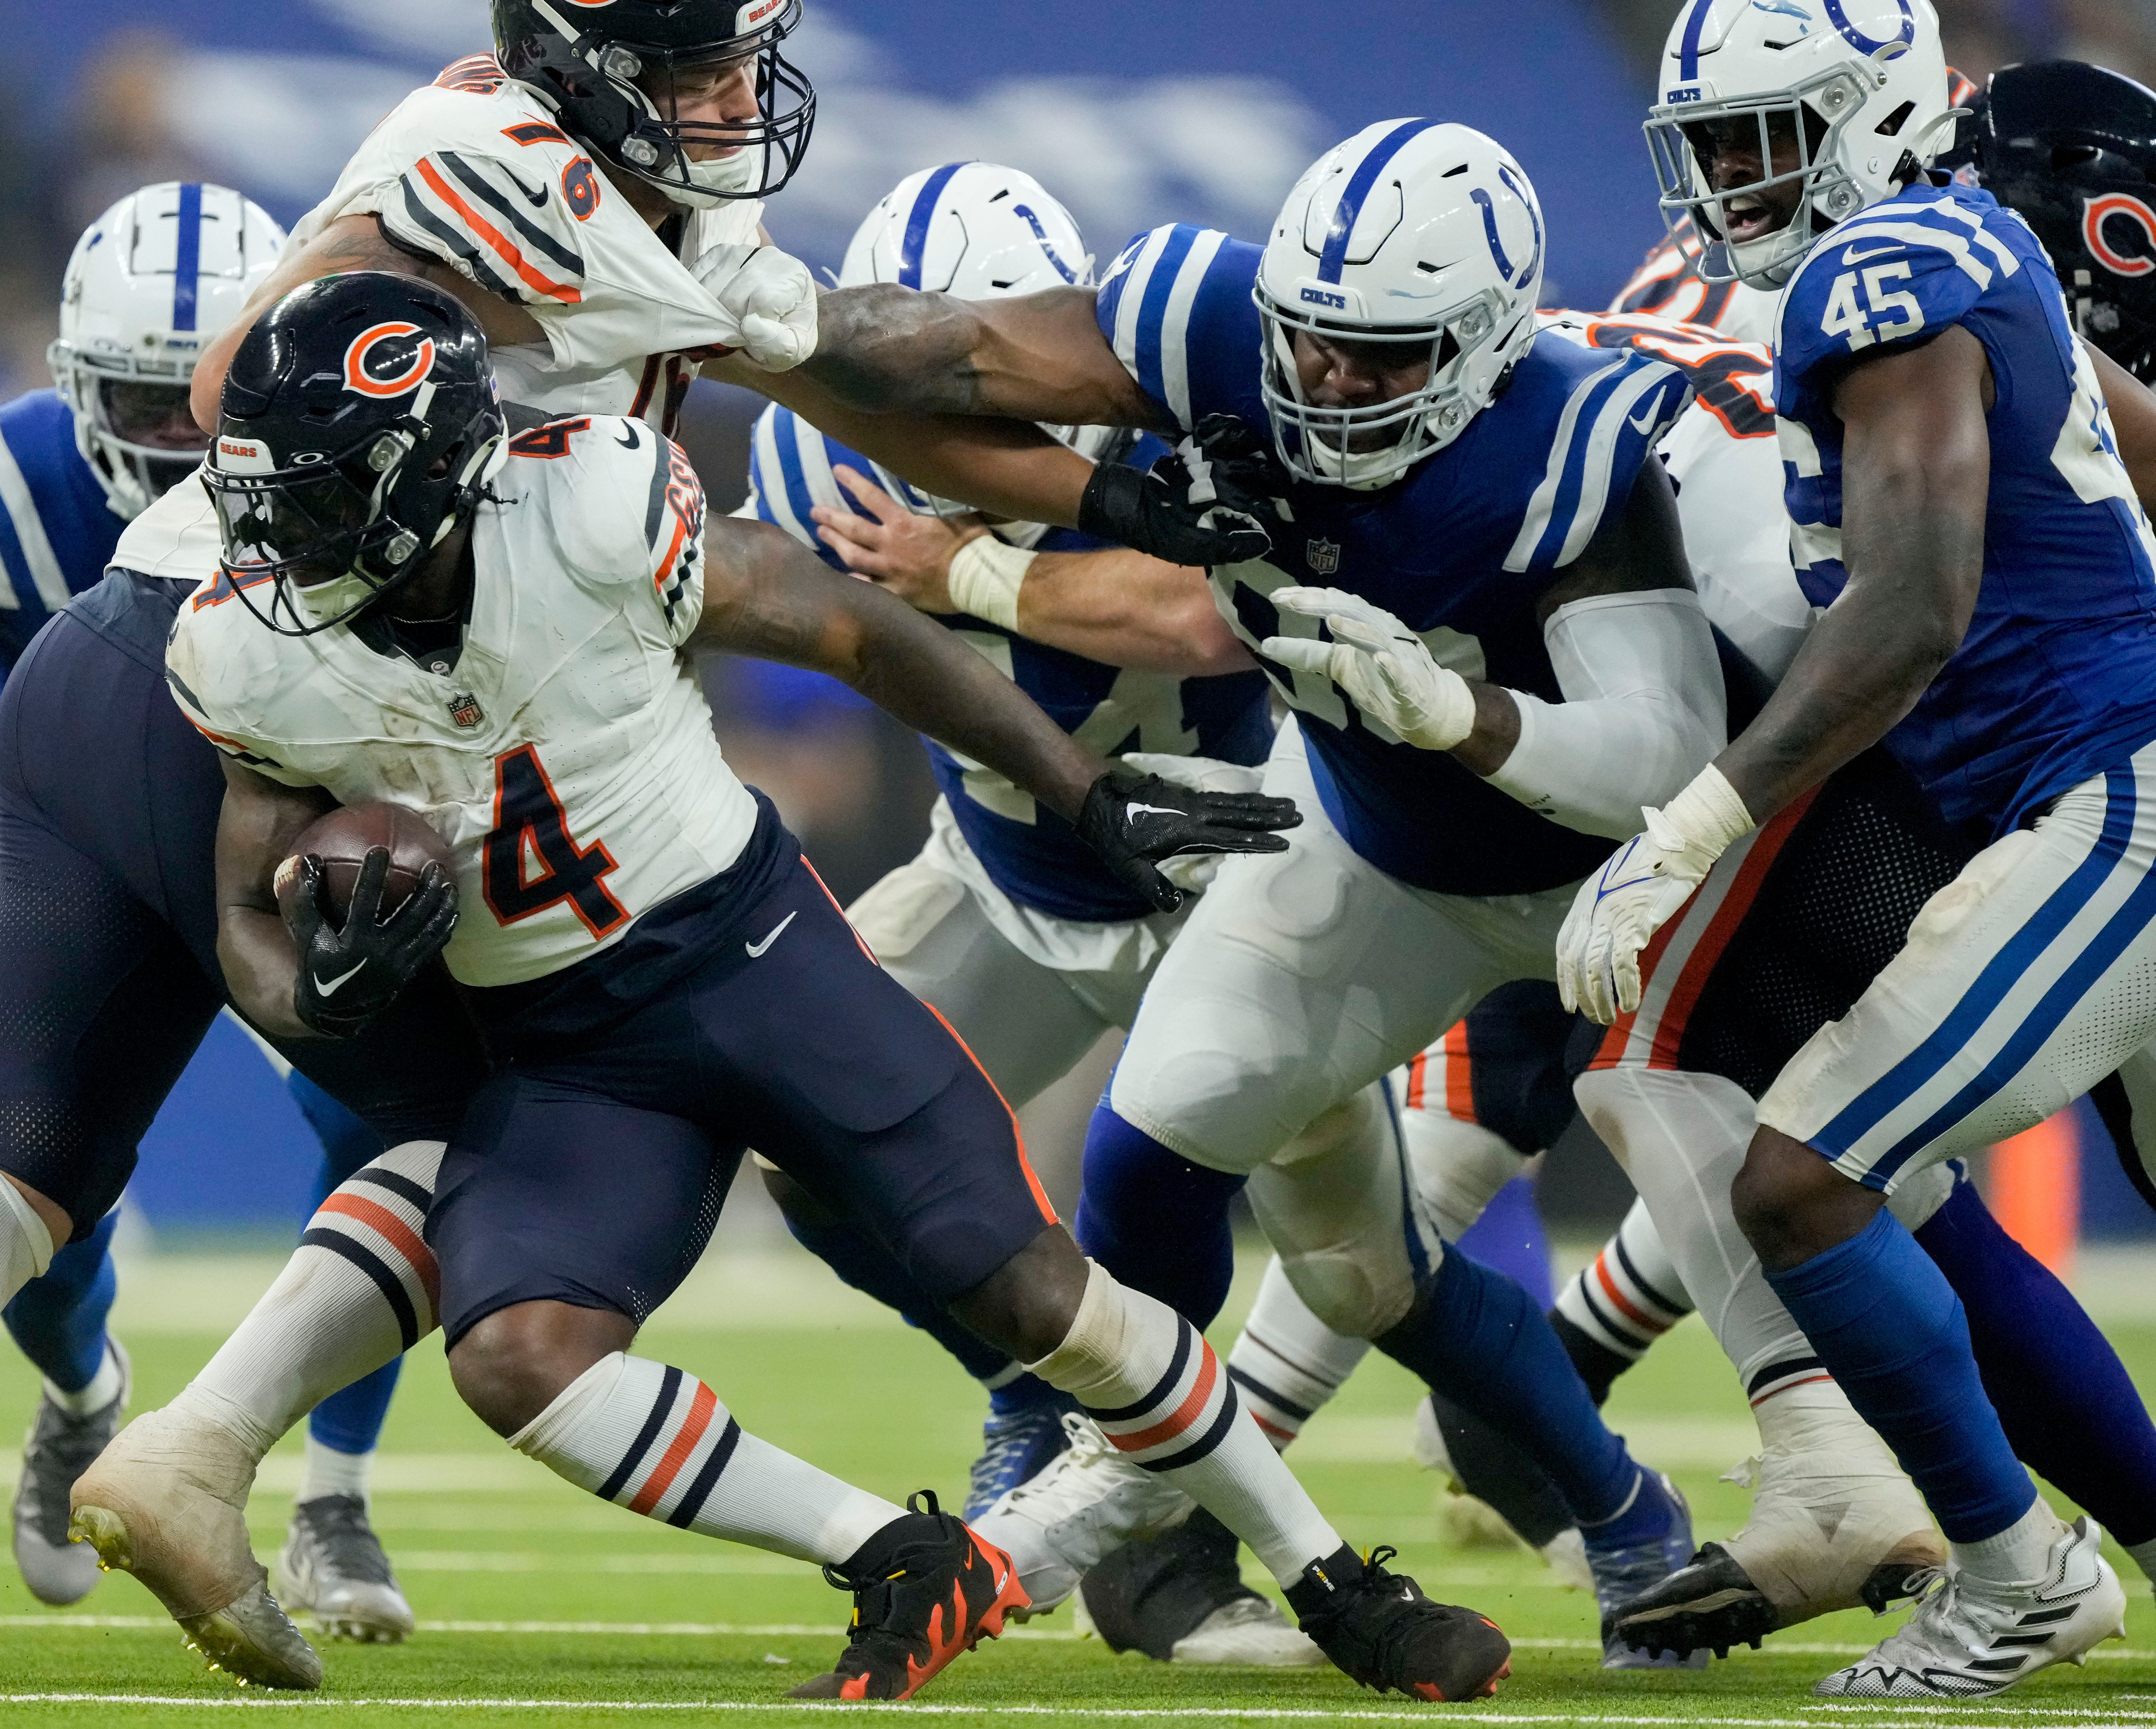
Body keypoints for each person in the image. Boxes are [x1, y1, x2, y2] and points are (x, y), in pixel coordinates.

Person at [83, 268, 1515, 1708]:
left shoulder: (590, 507)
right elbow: (243, 917)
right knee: (519, 1355)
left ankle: (1334, 1574)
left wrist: (1078, 795)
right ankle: (901, 1553)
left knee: (1031, 1288)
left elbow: (850, 628)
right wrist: (325, 992)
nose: (275, 533)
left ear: (435, 468)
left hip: (753, 953)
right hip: (568, 1043)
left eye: (323, 492)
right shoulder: (246, 643)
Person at [1560, 0, 2156, 1695]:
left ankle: (2016, 1573)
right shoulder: (1953, 241)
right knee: (1811, 1155)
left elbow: (1911, 604)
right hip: (2078, 783)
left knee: (1803, 1178)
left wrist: (1694, 820)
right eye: (1714, 145)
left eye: (1770, 134)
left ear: (1879, 109)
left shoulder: (1882, 270)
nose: (1738, 183)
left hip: (2112, 796)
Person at [0, 179, 424, 1630]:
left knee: (389, 1128)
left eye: (212, 396)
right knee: (39, 1197)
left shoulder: (347, 449)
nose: (184, 434)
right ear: (72, 383)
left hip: (289, 825)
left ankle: (336, 1488)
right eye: (146, 397)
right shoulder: (9, 483)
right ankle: (82, 1387)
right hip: (60, 836)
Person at [739, 160, 1309, 1668]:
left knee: (1363, 1246)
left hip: (1244, 871)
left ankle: (1605, 1510)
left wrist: (976, 566)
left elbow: (1207, 612)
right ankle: (1036, 1399)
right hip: (1007, 865)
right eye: (922, 369)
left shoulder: (1191, 407)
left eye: (988, 358)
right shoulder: (821, 453)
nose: (965, 402)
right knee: (810, 1124)